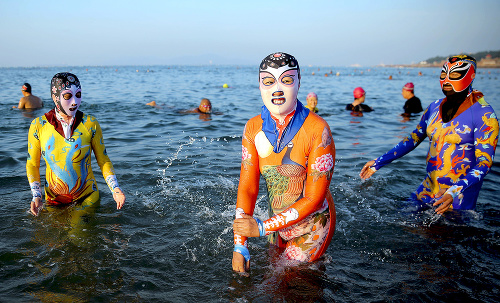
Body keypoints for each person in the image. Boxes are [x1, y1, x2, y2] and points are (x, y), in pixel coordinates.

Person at [232, 52, 336, 273]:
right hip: (276, 225)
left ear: (298, 82)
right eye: (268, 81)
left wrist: (260, 227)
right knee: (275, 284)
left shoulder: (318, 130)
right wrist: (240, 245)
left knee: (292, 282)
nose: (277, 89)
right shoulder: (252, 128)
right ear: (259, 85)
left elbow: (314, 198)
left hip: (312, 224)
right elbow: (248, 188)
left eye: (286, 80)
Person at [360, 55, 498, 215]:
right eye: (443, 74)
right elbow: (413, 139)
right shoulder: (434, 107)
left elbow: (484, 163)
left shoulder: (485, 115)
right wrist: (379, 162)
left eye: (454, 75)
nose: (446, 80)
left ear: (471, 76)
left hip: (458, 198)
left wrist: (454, 191)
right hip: (427, 189)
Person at [26, 73, 125, 216]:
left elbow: (103, 160)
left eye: (78, 95)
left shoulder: (90, 124)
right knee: (54, 238)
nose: (74, 102)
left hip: (87, 197)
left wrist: (115, 189)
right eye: (67, 96)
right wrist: (36, 196)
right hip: (53, 201)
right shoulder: (38, 126)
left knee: (78, 232)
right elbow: (32, 164)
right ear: (55, 98)